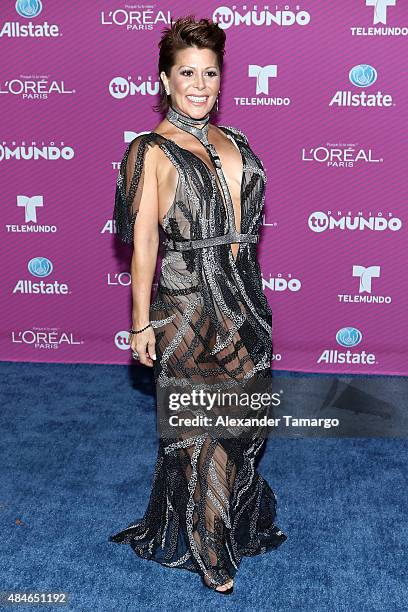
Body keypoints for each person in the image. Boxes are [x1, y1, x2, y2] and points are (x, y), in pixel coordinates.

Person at [109, 15, 287, 595]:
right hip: (188, 301)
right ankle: (209, 547)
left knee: (246, 420)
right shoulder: (148, 150)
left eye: (210, 73)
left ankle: (225, 519)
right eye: (187, 72)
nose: (200, 84)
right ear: (164, 79)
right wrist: (141, 322)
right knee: (201, 426)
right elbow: (143, 246)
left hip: (246, 297)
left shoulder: (236, 140)